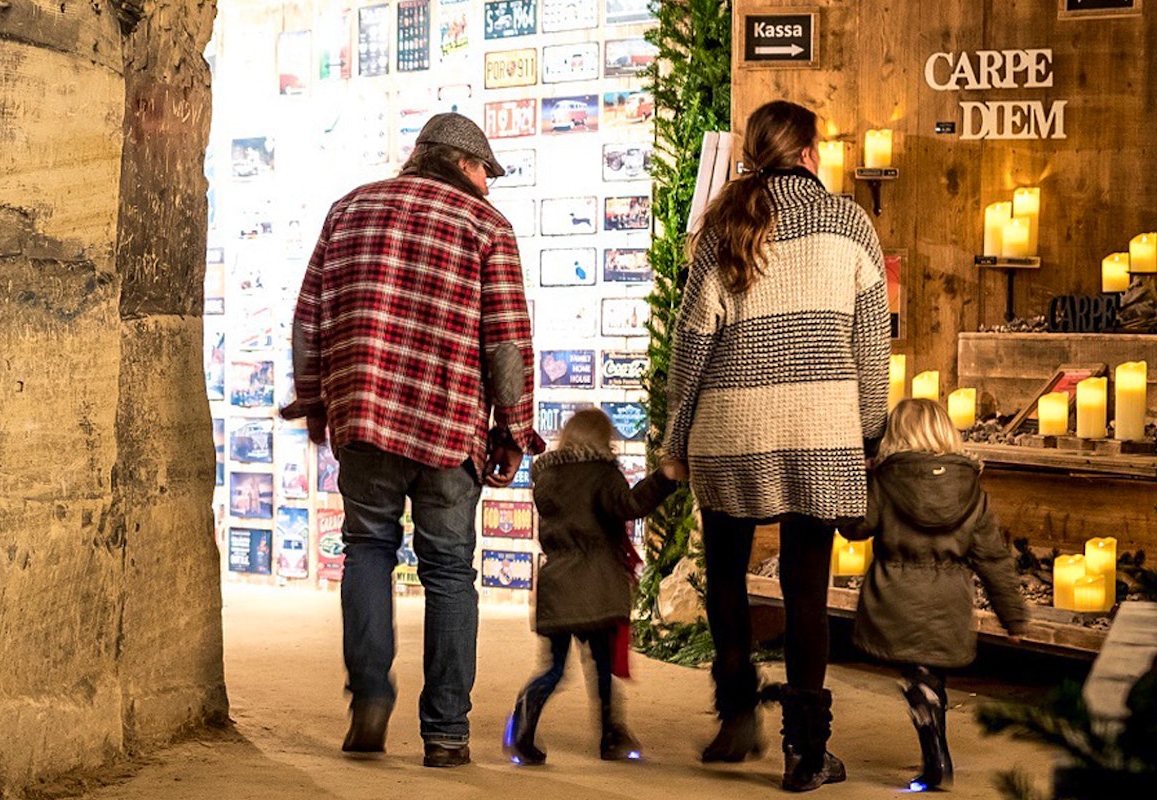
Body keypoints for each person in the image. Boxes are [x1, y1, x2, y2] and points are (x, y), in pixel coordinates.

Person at [281, 112, 544, 768]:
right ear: (460, 162)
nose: (489, 184)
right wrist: (513, 429)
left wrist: (315, 399)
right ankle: (447, 733)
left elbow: (309, 317)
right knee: (450, 569)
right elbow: (506, 341)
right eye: (486, 170)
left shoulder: (351, 209)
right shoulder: (486, 227)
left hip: (365, 419)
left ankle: (369, 698)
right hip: (449, 426)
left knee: (367, 548)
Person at [662, 100, 890, 792]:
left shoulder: (725, 224)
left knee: (728, 574)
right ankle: (805, 752)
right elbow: (872, 344)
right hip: (820, 432)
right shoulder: (850, 220)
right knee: (805, 590)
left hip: (731, 433)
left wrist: (677, 437)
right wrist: (869, 431)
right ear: (811, 154)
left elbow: (691, 343)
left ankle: (736, 716)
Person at [840, 398, 1027, 792]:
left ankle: (931, 735)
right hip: (948, 603)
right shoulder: (971, 488)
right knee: (930, 672)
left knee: (917, 673)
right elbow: (993, 558)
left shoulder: (887, 481)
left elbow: (855, 528)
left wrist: (857, 478)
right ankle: (933, 740)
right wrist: (1013, 617)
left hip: (895, 597)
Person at [503, 409, 675, 765]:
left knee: (553, 670)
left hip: (557, 585)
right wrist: (665, 478)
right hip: (596, 586)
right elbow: (628, 506)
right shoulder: (601, 473)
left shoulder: (547, 477)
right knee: (601, 669)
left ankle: (522, 727)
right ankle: (611, 737)